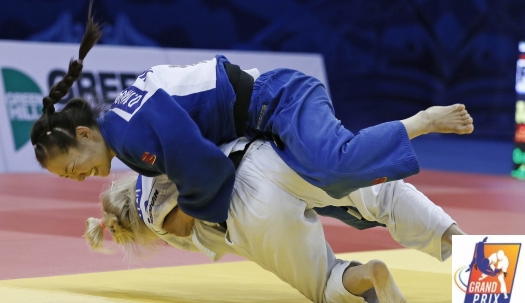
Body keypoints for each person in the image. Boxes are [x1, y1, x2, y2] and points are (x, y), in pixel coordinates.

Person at [31, 5, 474, 226]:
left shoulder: (125, 132)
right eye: (67, 178)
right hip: (260, 122)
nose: (77, 178)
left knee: (335, 166)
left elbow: (200, 161)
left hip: (280, 99)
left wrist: (186, 213)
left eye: (71, 167)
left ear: (84, 134)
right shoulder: (121, 122)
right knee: (328, 196)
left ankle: (423, 121)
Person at [86, 138, 467, 303]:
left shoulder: (157, 218)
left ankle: (369, 274)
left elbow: (188, 216)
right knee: (383, 193)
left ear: (132, 230)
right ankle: (474, 251)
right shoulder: (158, 152)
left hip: (250, 213)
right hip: (268, 153)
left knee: (324, 283)